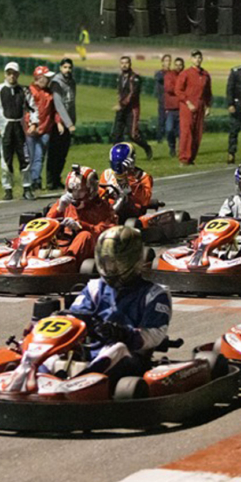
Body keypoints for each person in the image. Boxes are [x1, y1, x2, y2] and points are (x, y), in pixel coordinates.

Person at [66, 225, 172, 384]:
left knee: (118, 348)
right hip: (90, 350)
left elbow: (155, 334)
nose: (110, 269)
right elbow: (76, 317)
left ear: (133, 260)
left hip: (130, 356)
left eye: (117, 263)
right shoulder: (95, 287)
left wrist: (123, 333)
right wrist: (65, 319)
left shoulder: (154, 294)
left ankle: (77, 385)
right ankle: (34, 377)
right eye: (106, 263)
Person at [0, 62, 34, 201]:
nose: (12, 76)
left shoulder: (24, 90)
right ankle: (8, 189)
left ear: (18, 74)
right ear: (5, 74)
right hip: (5, 131)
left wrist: (33, 124)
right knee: (6, 162)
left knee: (25, 160)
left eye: (14, 73)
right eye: (9, 73)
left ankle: (27, 188)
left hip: (20, 130)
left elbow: (33, 108)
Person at [46, 165, 117, 261]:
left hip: (86, 247)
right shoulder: (64, 203)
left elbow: (107, 232)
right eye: (72, 190)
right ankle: (29, 258)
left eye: (80, 191)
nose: (75, 194)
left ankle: (67, 260)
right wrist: (59, 209)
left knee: (85, 235)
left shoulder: (102, 207)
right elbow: (47, 222)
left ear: (91, 190)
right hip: (62, 242)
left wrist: (80, 226)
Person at [111, 56, 153, 160]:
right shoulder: (120, 77)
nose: (124, 65)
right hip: (121, 110)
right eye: (122, 63)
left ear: (130, 64)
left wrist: (122, 104)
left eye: (126, 63)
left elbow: (133, 94)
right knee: (116, 134)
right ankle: (117, 157)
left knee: (133, 135)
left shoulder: (135, 78)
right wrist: (119, 102)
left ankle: (147, 147)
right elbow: (119, 92)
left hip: (132, 110)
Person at [175, 49, 212, 166]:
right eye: (195, 57)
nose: (198, 60)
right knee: (186, 131)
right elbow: (178, 90)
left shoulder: (205, 74)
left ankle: (191, 157)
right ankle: (184, 158)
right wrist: (187, 102)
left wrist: (207, 106)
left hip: (200, 105)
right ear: (191, 59)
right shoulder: (185, 73)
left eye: (199, 57)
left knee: (197, 132)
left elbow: (208, 92)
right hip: (187, 106)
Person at [101, 143, 154, 221]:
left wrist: (130, 177)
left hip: (132, 210)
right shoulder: (107, 174)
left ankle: (109, 217)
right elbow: (100, 194)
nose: (118, 167)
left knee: (123, 198)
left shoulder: (143, 176)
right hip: (109, 207)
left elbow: (144, 200)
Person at [24, 65, 55, 199]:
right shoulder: (30, 91)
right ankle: (30, 180)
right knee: (31, 156)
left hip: (45, 129)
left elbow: (53, 111)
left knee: (40, 156)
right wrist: (31, 124)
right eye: (46, 78)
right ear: (39, 78)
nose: (48, 80)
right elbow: (27, 110)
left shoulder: (49, 93)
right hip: (31, 129)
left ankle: (36, 179)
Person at [47, 58, 77, 191]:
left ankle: (57, 178)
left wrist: (73, 120)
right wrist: (68, 123)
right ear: (60, 68)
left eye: (69, 67)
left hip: (69, 121)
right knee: (55, 152)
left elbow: (72, 103)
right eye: (65, 67)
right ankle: (50, 180)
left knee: (63, 154)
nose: (67, 70)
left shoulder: (72, 82)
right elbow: (58, 104)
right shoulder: (56, 83)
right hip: (58, 122)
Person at [164, 57, 184, 157]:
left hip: (182, 107)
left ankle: (181, 150)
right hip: (171, 108)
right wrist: (180, 89)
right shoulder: (169, 75)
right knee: (169, 129)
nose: (178, 67)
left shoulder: (185, 75)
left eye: (180, 65)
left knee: (182, 131)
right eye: (176, 65)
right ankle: (172, 146)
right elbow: (169, 88)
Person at [154, 54, 170, 144]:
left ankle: (169, 138)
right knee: (161, 120)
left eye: (169, 61)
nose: (168, 63)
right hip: (162, 100)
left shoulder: (172, 73)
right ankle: (159, 138)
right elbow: (159, 78)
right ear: (162, 62)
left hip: (171, 101)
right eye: (166, 61)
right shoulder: (159, 73)